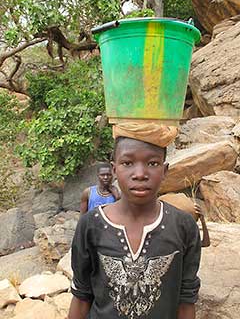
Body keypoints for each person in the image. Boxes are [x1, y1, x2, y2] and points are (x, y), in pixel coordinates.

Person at [68, 123, 201, 319]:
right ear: (114, 170)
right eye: (127, 163)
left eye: (152, 163)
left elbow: (186, 298)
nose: (139, 174)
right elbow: (81, 294)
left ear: (165, 171)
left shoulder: (183, 226)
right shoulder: (91, 224)